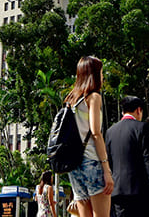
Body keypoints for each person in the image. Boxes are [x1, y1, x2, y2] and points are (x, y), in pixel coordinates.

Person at [64, 56, 114, 217]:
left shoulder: (71, 99)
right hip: (92, 161)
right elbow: (96, 132)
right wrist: (106, 169)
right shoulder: (94, 97)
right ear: (94, 73)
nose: (102, 75)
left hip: (74, 165)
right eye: (101, 71)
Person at [105, 96, 149, 217]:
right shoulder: (142, 127)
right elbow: (148, 161)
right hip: (140, 191)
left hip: (118, 192)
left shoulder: (110, 131)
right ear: (139, 110)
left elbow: (109, 161)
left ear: (123, 111)